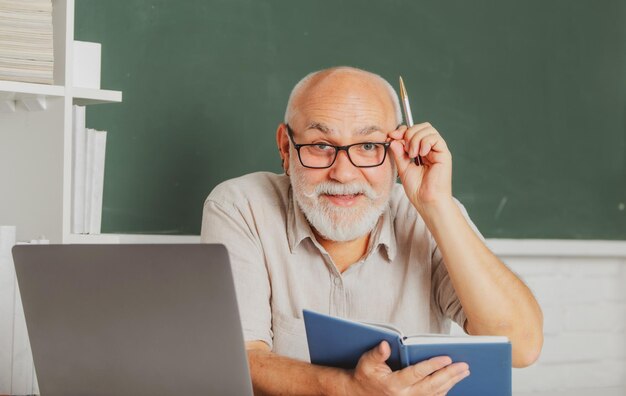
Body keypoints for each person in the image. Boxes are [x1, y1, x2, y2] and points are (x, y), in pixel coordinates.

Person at [201, 66, 543, 395]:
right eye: (321, 145)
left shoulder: (428, 213)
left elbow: (522, 347)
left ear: (397, 152)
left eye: (368, 147)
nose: (344, 174)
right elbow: (236, 359)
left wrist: (437, 205)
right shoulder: (239, 207)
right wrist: (347, 389)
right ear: (286, 147)